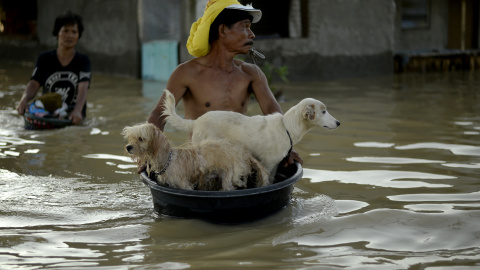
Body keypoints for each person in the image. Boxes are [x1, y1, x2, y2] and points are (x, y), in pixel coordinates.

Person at [146, 0, 302, 167]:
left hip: (240, 161)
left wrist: (286, 149)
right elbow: (159, 115)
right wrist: (149, 151)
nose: (252, 34)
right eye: (245, 26)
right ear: (222, 30)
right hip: (201, 161)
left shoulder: (251, 74)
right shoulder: (186, 73)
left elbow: (274, 116)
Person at [16, 11, 91, 125]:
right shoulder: (44, 58)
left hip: (72, 117)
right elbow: (34, 83)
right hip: (47, 114)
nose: (70, 35)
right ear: (57, 33)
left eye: (74, 32)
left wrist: (77, 111)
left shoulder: (83, 61)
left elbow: (83, 88)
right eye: (65, 31)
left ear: (78, 35)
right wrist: (24, 100)